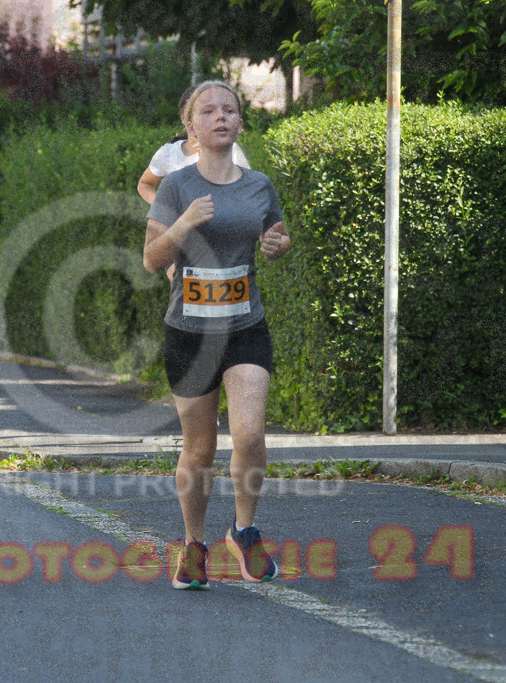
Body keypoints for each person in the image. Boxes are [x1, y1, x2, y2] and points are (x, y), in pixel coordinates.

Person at [143, 80, 290, 590]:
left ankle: (245, 531)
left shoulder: (259, 185)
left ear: (240, 123)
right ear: (191, 128)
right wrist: (184, 223)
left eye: (229, 109)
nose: (220, 117)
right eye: (208, 111)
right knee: (200, 449)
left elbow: (277, 234)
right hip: (190, 334)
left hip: (245, 327)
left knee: (249, 434)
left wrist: (275, 245)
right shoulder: (175, 187)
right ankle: (194, 544)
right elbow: (152, 258)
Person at [138, 85, 250, 282]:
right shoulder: (168, 153)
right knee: (187, 293)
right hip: (179, 241)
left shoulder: (230, 151)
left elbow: (247, 190)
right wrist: (165, 208)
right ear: (185, 118)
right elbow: (145, 184)